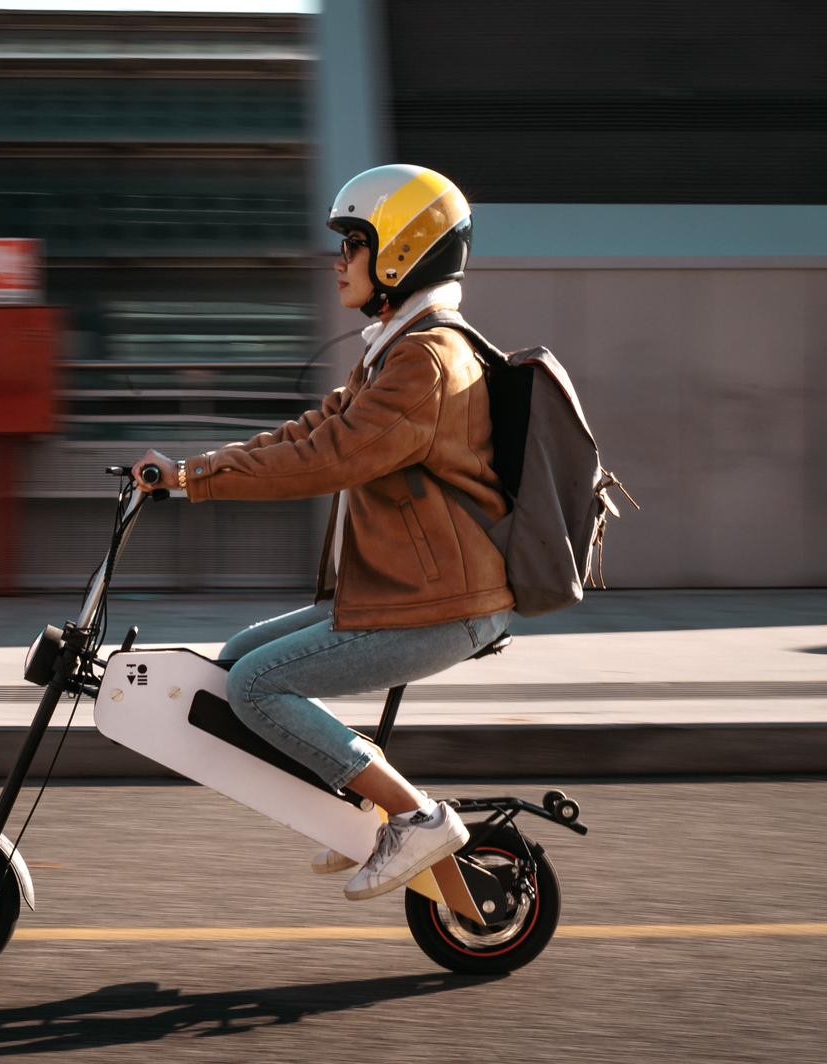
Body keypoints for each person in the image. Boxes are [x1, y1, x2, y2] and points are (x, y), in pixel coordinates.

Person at [132, 164, 514, 901]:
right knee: (237, 658)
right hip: (410, 587)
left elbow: (328, 458)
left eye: (353, 245)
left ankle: (416, 818)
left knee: (254, 685)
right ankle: (361, 806)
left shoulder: (426, 362)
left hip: (444, 601)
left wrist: (193, 481)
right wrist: (192, 469)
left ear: (401, 255)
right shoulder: (399, 346)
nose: (337, 261)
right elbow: (313, 429)